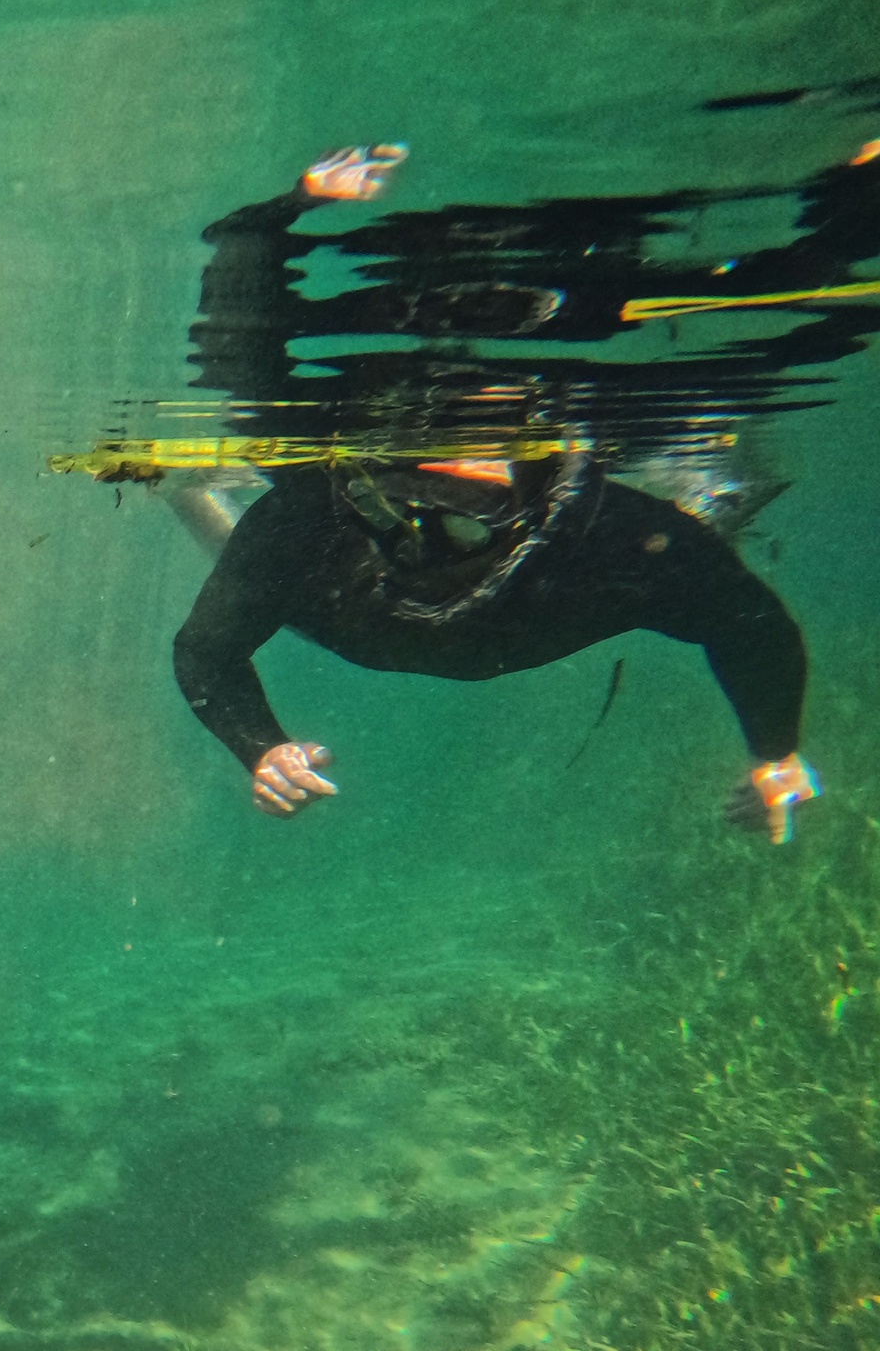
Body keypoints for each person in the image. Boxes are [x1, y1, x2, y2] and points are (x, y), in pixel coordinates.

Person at [167, 128, 880, 844]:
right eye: (400, 504)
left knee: (697, 535)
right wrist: (260, 748)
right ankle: (186, 491)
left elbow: (748, 624)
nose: (424, 535)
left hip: (527, 587)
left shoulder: (615, 538)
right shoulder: (316, 513)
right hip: (351, 613)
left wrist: (776, 755)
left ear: (534, 496)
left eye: (465, 513)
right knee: (263, 560)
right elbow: (207, 650)